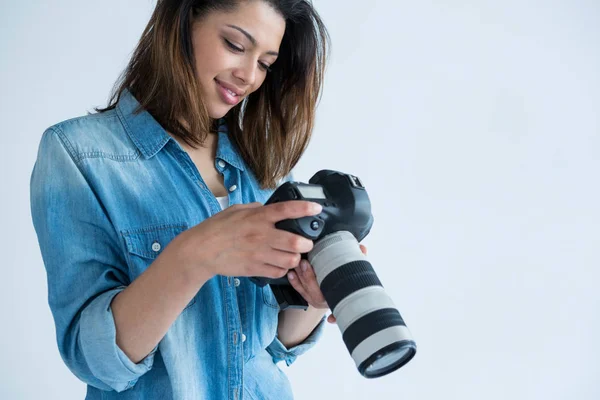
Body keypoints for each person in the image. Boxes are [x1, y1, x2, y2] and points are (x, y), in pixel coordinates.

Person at [30, 0, 367, 399]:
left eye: (265, 63)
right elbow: (95, 362)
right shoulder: (79, 154)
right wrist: (196, 254)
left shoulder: (263, 167)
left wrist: (314, 297)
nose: (248, 77)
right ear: (183, 22)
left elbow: (272, 349)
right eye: (235, 45)